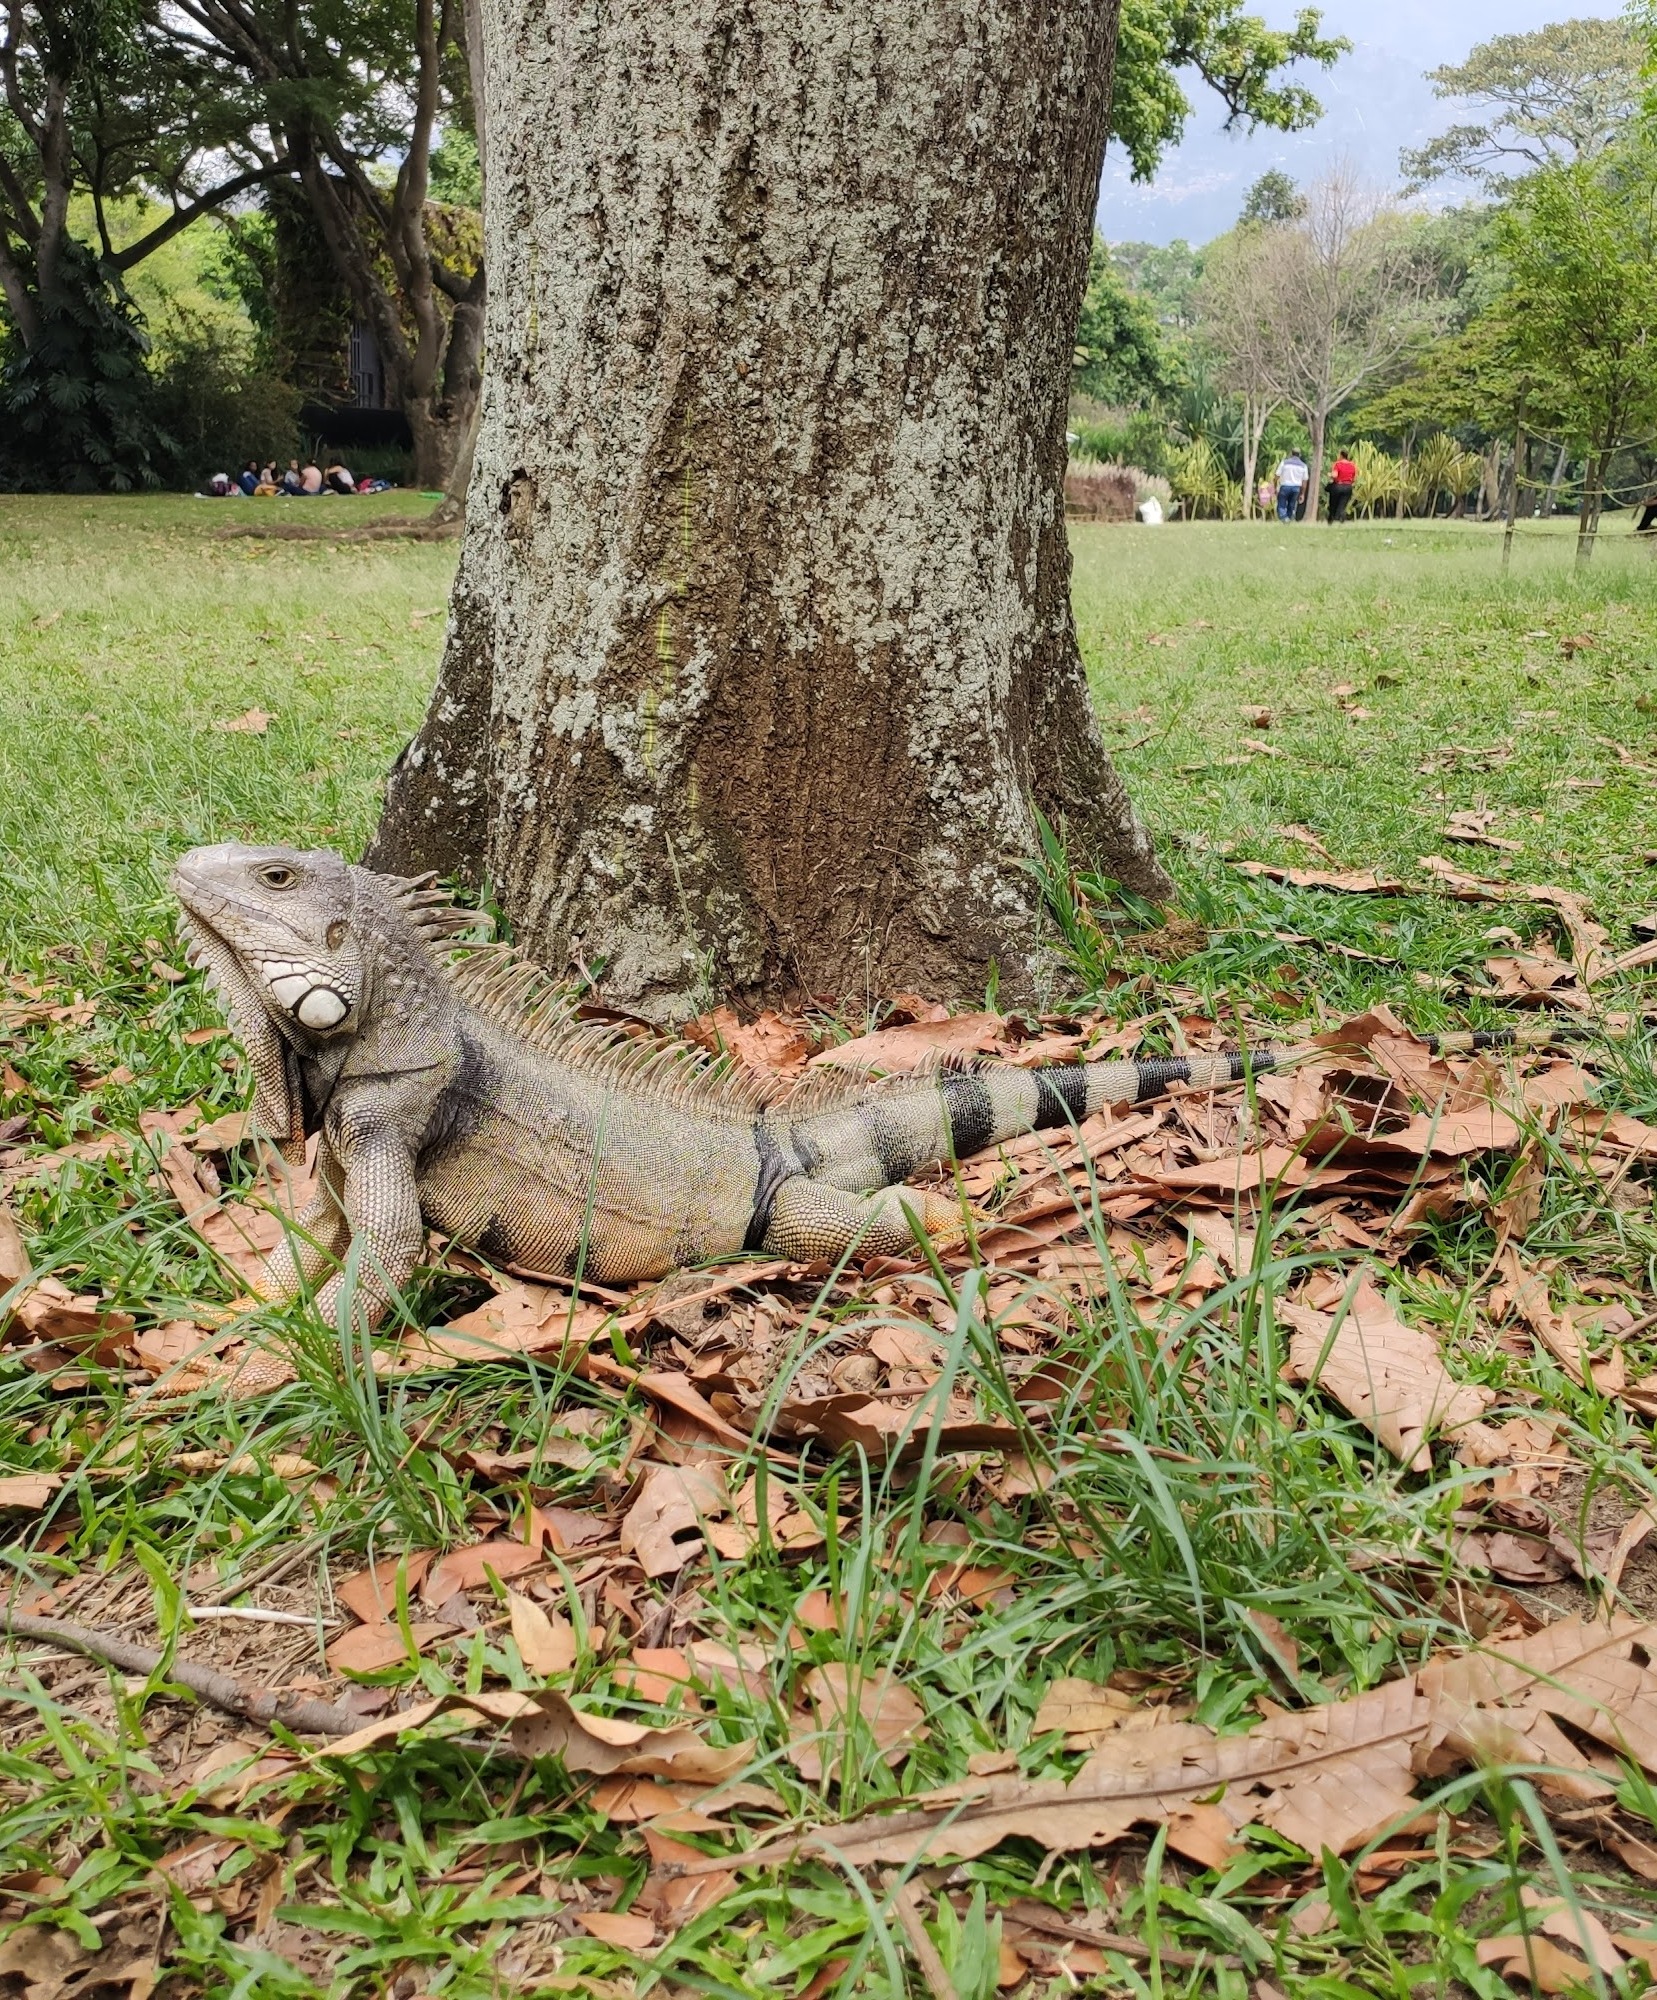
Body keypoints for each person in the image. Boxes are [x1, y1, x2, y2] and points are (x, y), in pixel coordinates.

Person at [1274, 451, 1308, 522]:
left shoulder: (1284, 463)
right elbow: (1304, 481)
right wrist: (1302, 494)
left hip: (1285, 486)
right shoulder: (1303, 466)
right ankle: (1289, 518)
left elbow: (1277, 475)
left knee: (1281, 504)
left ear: (1291, 454)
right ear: (1300, 455)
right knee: (1291, 505)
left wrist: (1275, 486)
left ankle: (1284, 517)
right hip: (1296, 487)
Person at [1327, 451, 1358, 524]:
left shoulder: (1337, 464)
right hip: (1348, 487)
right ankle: (1341, 518)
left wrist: (1329, 474)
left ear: (1341, 455)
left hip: (1338, 486)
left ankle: (1332, 519)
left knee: (1333, 504)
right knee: (1342, 505)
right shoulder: (1352, 465)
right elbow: (1354, 478)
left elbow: (1335, 475)